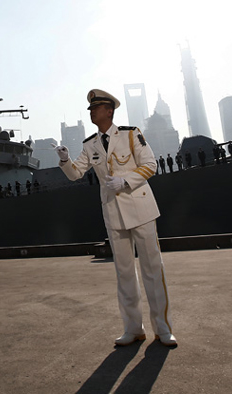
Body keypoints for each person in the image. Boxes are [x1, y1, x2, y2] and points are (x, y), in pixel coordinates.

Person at [55, 89, 177, 348]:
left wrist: (125, 181)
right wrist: (65, 160)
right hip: (113, 213)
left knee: (152, 269)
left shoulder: (131, 134)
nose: (91, 112)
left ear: (109, 111)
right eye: (90, 109)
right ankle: (133, 329)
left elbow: (150, 165)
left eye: (95, 108)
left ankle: (163, 328)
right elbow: (76, 173)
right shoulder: (89, 144)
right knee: (124, 273)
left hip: (141, 209)